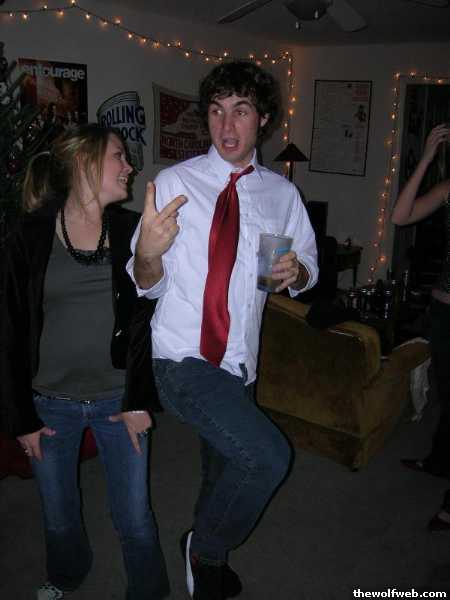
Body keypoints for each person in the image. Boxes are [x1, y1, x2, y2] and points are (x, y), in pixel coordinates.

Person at [127, 60, 318, 600]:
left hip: (238, 360)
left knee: (225, 464)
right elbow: (143, 283)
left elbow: (304, 265)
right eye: (216, 111)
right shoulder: (175, 183)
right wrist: (147, 254)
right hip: (180, 355)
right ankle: (205, 549)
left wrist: (298, 273)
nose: (226, 125)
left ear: (263, 119)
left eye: (240, 111)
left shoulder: (281, 195)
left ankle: (203, 545)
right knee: (267, 457)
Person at [0, 124, 170, 600]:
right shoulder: (30, 233)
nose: (129, 166)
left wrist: (139, 399)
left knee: (134, 516)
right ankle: (67, 573)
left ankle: (148, 591)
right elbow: (9, 328)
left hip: (119, 400)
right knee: (58, 514)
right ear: (84, 161)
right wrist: (21, 418)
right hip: (49, 404)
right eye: (119, 155)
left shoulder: (133, 229)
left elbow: (145, 321)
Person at [391, 122, 450, 530]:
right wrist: (427, 158)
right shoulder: (448, 187)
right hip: (443, 309)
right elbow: (400, 216)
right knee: (447, 394)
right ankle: (439, 460)